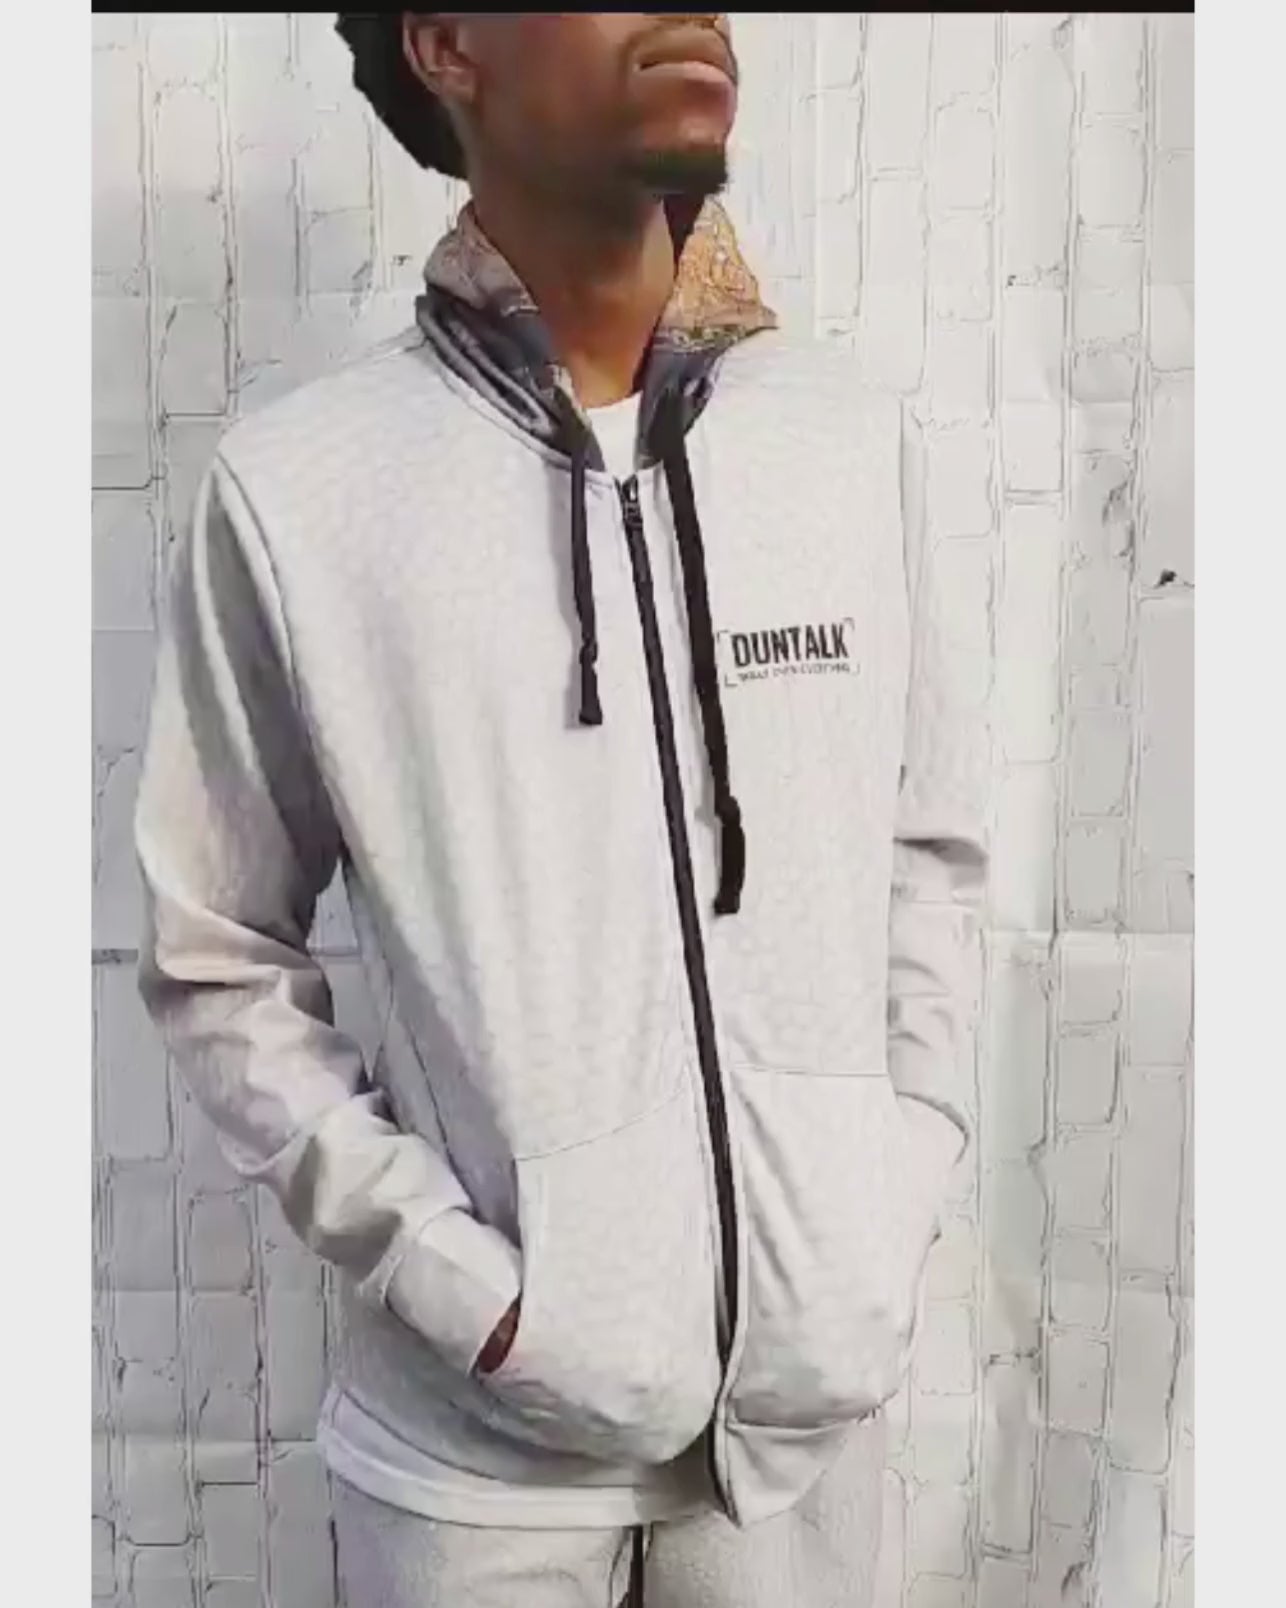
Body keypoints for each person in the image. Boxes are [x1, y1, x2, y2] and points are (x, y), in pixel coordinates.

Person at [134, 13, 986, 1606]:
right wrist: (464, 1286)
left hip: (801, 1457)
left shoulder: (842, 439)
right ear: (447, 43)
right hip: (473, 1474)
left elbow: (924, 860)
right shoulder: (305, 489)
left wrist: (891, 1187)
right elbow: (217, 953)